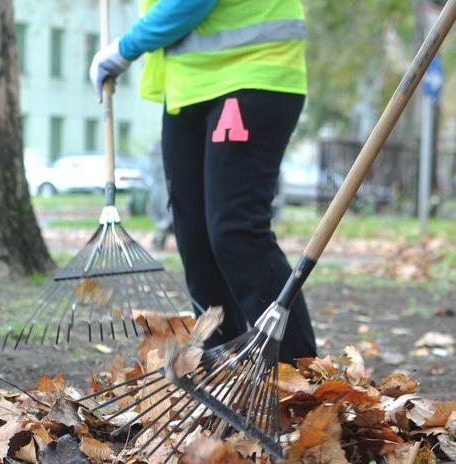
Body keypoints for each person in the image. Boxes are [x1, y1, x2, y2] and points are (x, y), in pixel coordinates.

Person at [90, 0, 317, 364]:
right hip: (188, 88)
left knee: (235, 231)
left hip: (255, 71)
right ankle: (219, 365)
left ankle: (300, 373)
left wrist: (124, 49)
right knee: (194, 236)